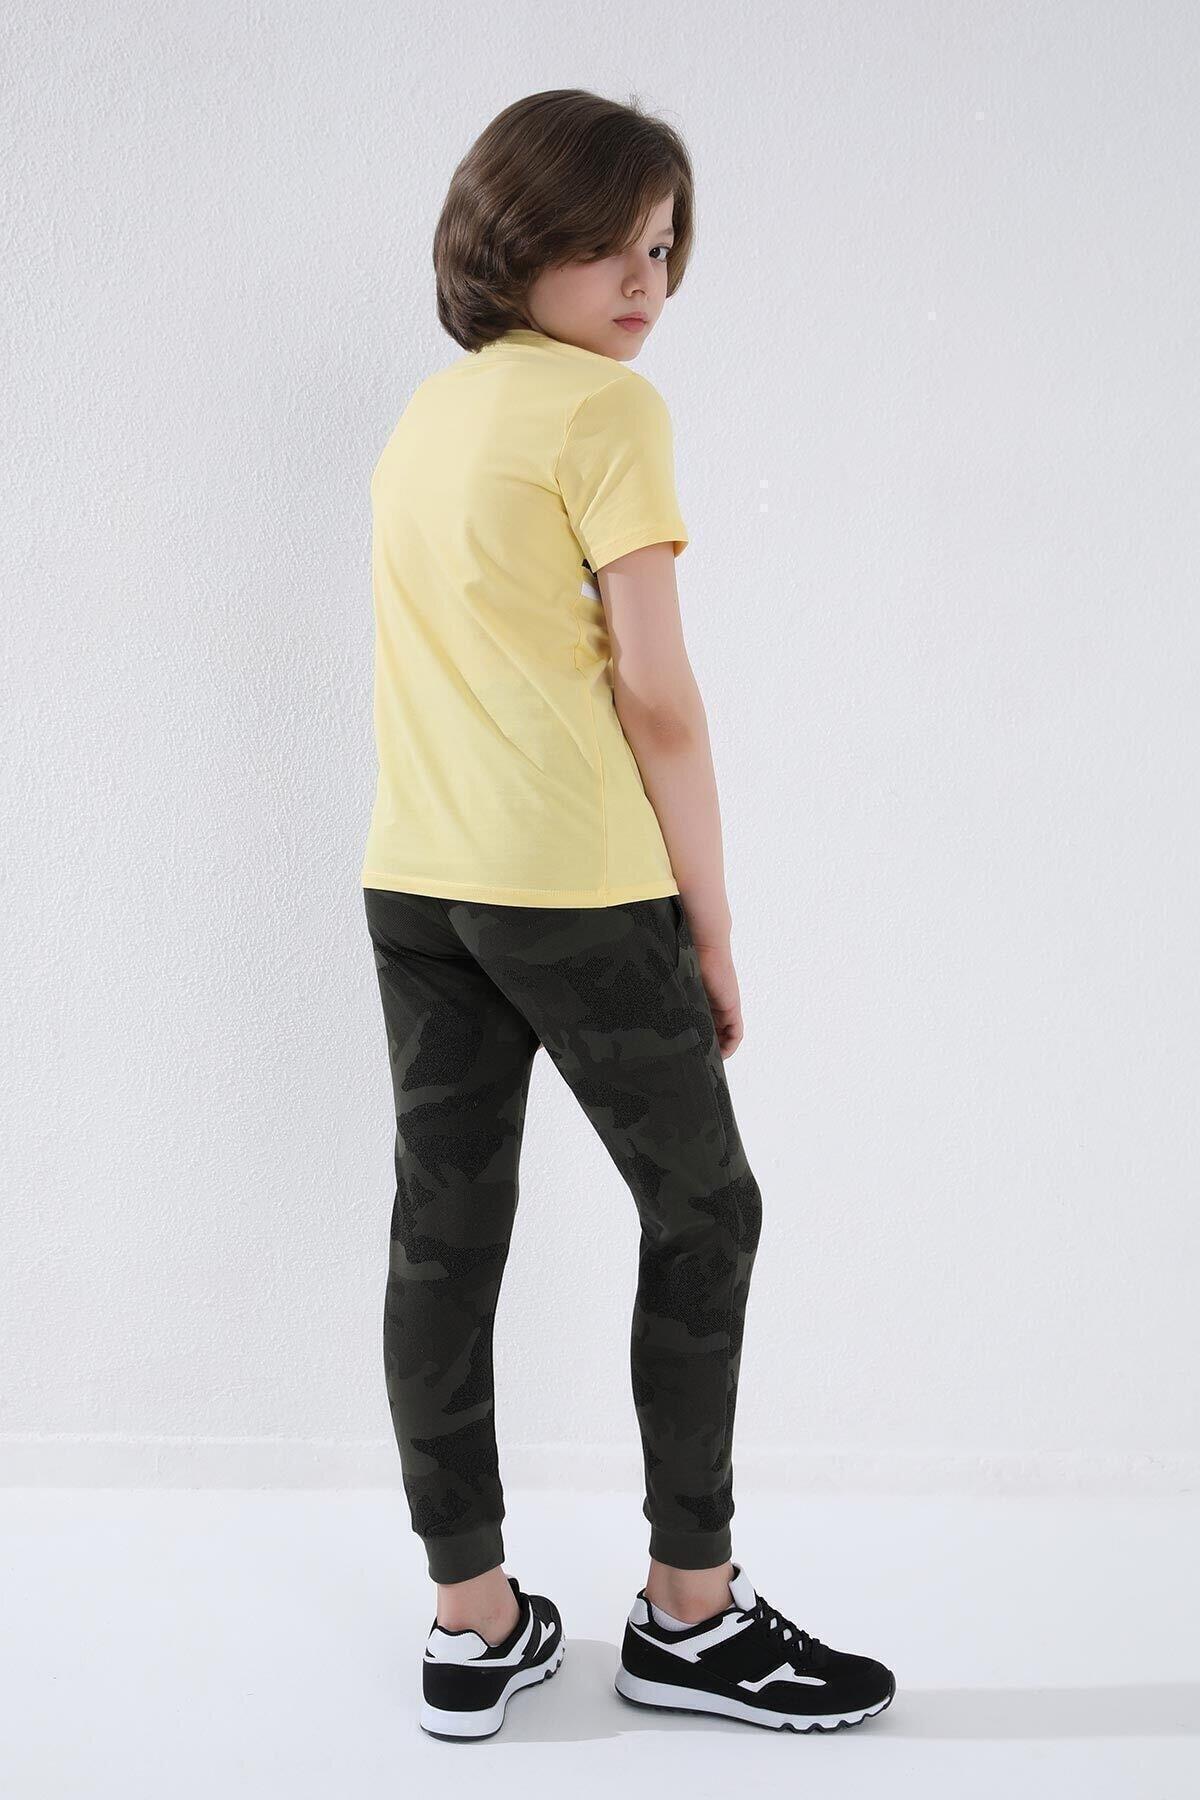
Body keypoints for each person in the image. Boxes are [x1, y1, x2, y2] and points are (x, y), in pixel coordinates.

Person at [361, 87, 895, 1740]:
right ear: (517, 237)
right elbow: (657, 697)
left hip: (418, 880)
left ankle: (471, 1621)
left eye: (664, 247)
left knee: (445, 1235)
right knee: (707, 1210)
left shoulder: (430, 416)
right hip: (577, 891)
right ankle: (691, 1612)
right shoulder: (607, 411)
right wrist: (710, 926)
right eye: (610, 243)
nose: (646, 280)